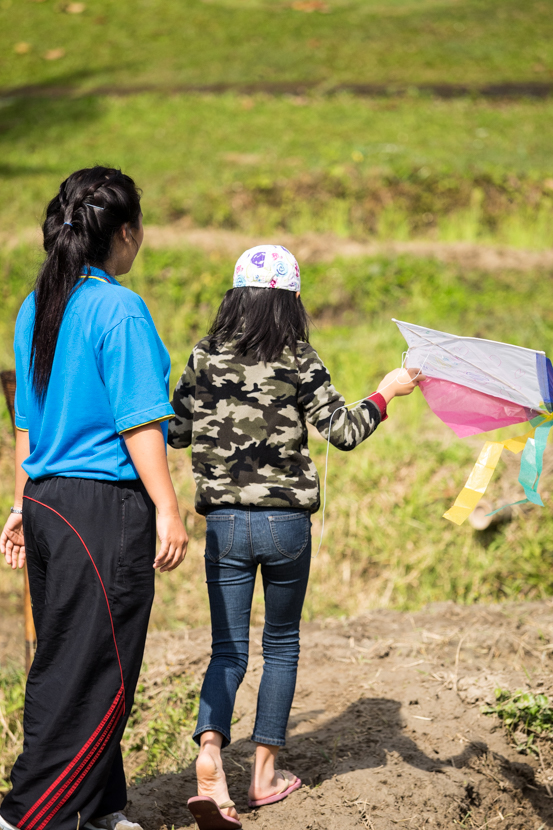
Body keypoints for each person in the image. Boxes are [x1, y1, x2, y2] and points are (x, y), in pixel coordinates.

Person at [168, 244, 424, 830]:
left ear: (235, 297)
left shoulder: (204, 355)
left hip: (225, 527)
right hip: (286, 527)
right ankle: (262, 776)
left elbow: (177, 433)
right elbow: (343, 430)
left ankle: (210, 754)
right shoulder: (298, 356)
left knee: (227, 650)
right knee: (280, 644)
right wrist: (386, 391)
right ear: (292, 303)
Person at [0, 167, 188, 830]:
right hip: (100, 509)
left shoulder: (38, 303)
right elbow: (139, 417)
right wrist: (167, 505)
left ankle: (99, 808)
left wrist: (22, 501)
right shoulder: (119, 307)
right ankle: (28, 815)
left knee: (73, 652)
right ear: (126, 233)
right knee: (94, 670)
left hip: (50, 503)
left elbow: (27, 417)